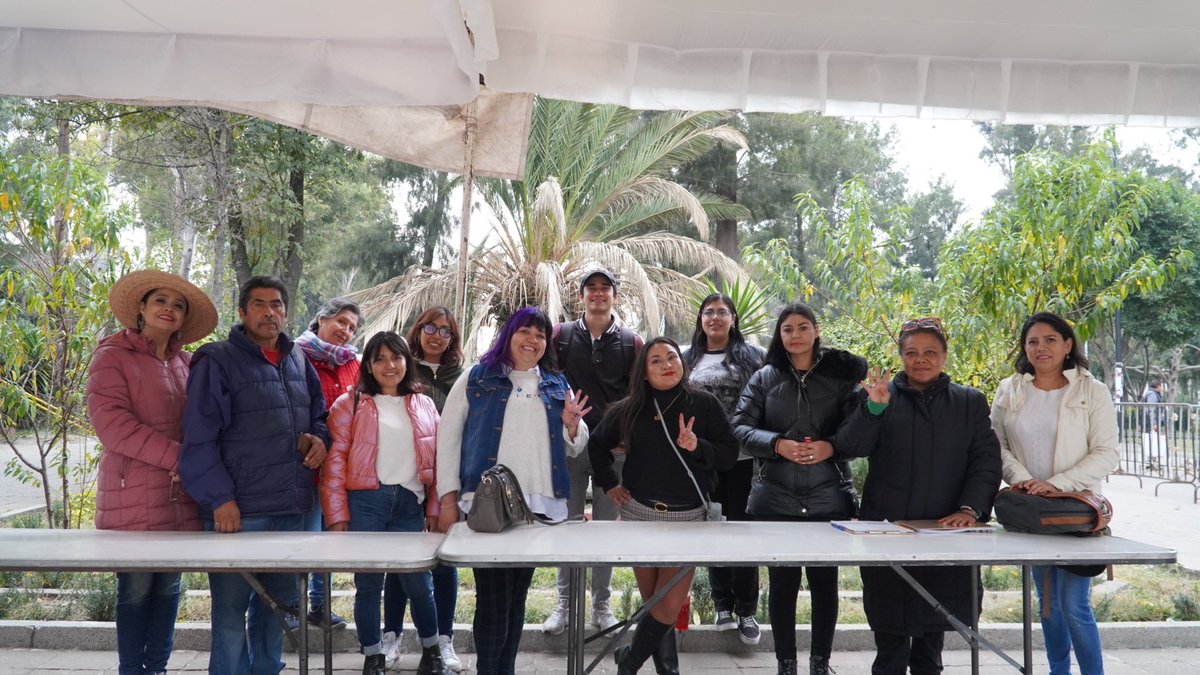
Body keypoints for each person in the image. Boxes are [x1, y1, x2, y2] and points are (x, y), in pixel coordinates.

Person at [179, 275, 330, 675]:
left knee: (278, 610)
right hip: (239, 513)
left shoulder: (298, 359)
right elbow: (198, 437)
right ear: (243, 312)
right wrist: (219, 499)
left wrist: (319, 439)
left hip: (291, 508)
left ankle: (267, 669)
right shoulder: (217, 360)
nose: (270, 312)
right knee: (229, 614)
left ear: (286, 311)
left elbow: (320, 415)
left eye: (277, 304)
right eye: (259, 304)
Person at [836, 317, 1002, 675]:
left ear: (944, 356)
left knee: (932, 636)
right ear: (901, 356)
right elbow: (850, 446)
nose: (920, 359)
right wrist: (873, 409)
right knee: (890, 639)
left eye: (930, 352)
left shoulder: (969, 402)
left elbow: (986, 461)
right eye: (911, 352)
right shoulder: (880, 397)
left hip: (944, 530)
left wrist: (970, 508)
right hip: (887, 530)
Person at [436, 308, 591, 675]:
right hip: (487, 508)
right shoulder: (477, 377)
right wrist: (447, 497)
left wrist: (572, 426)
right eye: (525, 331)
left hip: (539, 509)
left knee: (517, 597)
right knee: (492, 599)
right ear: (508, 335)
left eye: (540, 335)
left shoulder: (555, 383)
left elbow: (576, 444)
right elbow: (448, 438)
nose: (532, 340)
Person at [87, 269, 218, 675]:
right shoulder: (111, 356)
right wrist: (184, 460)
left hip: (180, 497)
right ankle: (132, 671)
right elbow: (114, 427)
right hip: (133, 494)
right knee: (137, 591)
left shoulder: (189, 364)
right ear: (141, 308)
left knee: (169, 590)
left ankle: (157, 669)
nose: (169, 309)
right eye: (160, 300)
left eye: (178, 305)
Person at [589, 337, 739, 675]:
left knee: (666, 606)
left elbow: (729, 454)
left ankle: (629, 662)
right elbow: (597, 446)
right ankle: (667, 670)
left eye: (672, 357)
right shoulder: (629, 409)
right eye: (655, 361)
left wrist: (698, 446)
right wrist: (610, 484)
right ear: (643, 372)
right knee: (654, 602)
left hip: (687, 518)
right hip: (639, 514)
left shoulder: (704, 404)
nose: (666, 365)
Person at [731, 303, 866, 675]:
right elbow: (740, 428)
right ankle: (786, 663)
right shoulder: (764, 378)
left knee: (826, 584)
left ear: (816, 331)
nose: (795, 335)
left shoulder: (840, 380)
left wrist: (830, 447)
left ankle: (820, 662)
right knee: (783, 584)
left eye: (803, 327)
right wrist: (777, 444)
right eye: (787, 329)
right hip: (774, 499)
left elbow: (857, 434)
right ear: (780, 336)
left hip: (829, 497)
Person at [991, 312, 1119, 675]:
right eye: (1032, 341)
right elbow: (995, 445)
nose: (1040, 348)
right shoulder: (1009, 389)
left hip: (1075, 514)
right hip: (1032, 514)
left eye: (1050, 340)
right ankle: (1057, 671)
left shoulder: (1092, 391)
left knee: (1073, 603)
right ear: (1024, 349)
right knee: (1048, 602)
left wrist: (1057, 484)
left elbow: (1107, 453)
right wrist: (1026, 480)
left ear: (1067, 345)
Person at [322, 332, 446, 675]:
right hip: (366, 502)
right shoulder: (351, 404)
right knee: (369, 585)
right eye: (380, 359)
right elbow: (334, 463)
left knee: (419, 584)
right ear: (369, 366)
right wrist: (337, 517)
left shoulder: (424, 404)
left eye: (397, 357)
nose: (389, 366)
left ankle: (432, 651)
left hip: (409, 503)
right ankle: (373, 656)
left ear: (408, 361)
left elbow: (438, 464)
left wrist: (434, 509)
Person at [545, 268, 644, 637]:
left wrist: (628, 439)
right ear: (581, 296)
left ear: (615, 296)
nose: (598, 294)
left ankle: (601, 604)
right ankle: (564, 605)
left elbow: (640, 394)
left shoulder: (632, 342)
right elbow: (547, 381)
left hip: (613, 452)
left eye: (605, 289)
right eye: (592, 289)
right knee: (567, 525)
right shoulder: (561, 336)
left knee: (604, 529)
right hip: (569, 446)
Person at [380, 306, 466, 670]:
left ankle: (444, 640)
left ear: (452, 339)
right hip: (408, 481)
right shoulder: (400, 371)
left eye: (445, 331)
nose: (436, 335)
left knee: (444, 562)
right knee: (401, 562)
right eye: (430, 327)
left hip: (449, 483)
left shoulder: (462, 378)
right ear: (418, 330)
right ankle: (391, 636)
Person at [683, 293, 766, 649]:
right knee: (712, 528)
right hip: (702, 460)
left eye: (722, 312)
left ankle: (747, 609)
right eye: (708, 312)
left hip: (744, 460)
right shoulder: (687, 358)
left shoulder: (754, 357)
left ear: (733, 319)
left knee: (741, 533)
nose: (714, 317)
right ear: (700, 319)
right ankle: (722, 606)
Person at [290, 297, 362, 630]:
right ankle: (291, 609)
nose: (346, 331)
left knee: (328, 539)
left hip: (338, 471)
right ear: (321, 319)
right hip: (302, 465)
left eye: (352, 327)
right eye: (342, 322)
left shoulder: (354, 365)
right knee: (301, 539)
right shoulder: (294, 355)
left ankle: (320, 605)